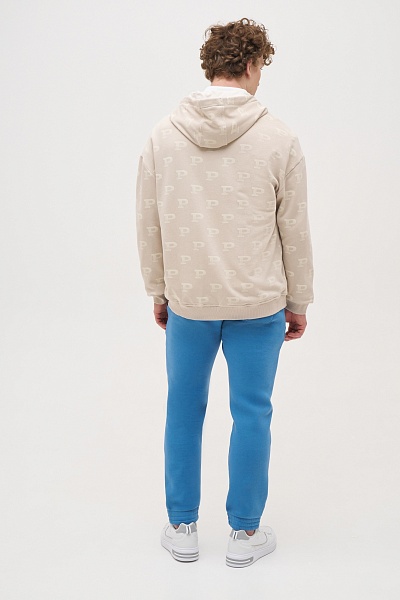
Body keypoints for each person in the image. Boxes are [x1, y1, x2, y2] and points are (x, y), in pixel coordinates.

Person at [136, 17, 314, 568]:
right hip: (259, 303)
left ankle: (181, 527)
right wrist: (299, 301)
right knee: (253, 413)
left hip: (189, 299)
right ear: (253, 64)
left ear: (210, 65)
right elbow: (294, 229)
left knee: (183, 409)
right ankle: (245, 534)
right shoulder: (279, 137)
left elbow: (149, 222)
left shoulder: (163, 135)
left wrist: (159, 290)